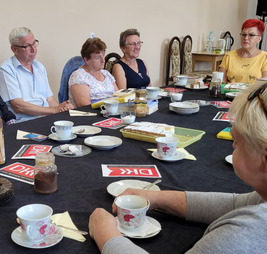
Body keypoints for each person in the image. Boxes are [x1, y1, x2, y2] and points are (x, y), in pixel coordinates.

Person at [89, 82, 267, 253]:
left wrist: (107, 236)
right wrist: (156, 198)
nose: (233, 146)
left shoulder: (243, 235)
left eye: (237, 141)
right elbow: (235, 204)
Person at [0, 27, 74, 122]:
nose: (33, 49)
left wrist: (63, 107)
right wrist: (54, 111)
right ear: (14, 49)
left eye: (34, 44)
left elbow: (49, 100)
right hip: (23, 122)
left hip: (46, 117)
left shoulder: (39, 67)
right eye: (27, 46)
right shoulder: (5, 70)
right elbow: (18, 106)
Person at [68, 37, 118, 107]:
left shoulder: (106, 74)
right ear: (86, 60)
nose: (103, 60)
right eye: (98, 57)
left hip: (111, 112)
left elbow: (119, 97)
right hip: (92, 115)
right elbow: (85, 107)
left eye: (103, 55)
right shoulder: (79, 77)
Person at [218, 19, 267, 84]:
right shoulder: (229, 56)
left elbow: (264, 85)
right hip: (229, 93)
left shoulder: (264, 57)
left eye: (251, 35)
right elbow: (221, 82)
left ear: (259, 39)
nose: (246, 38)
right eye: (244, 34)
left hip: (253, 94)